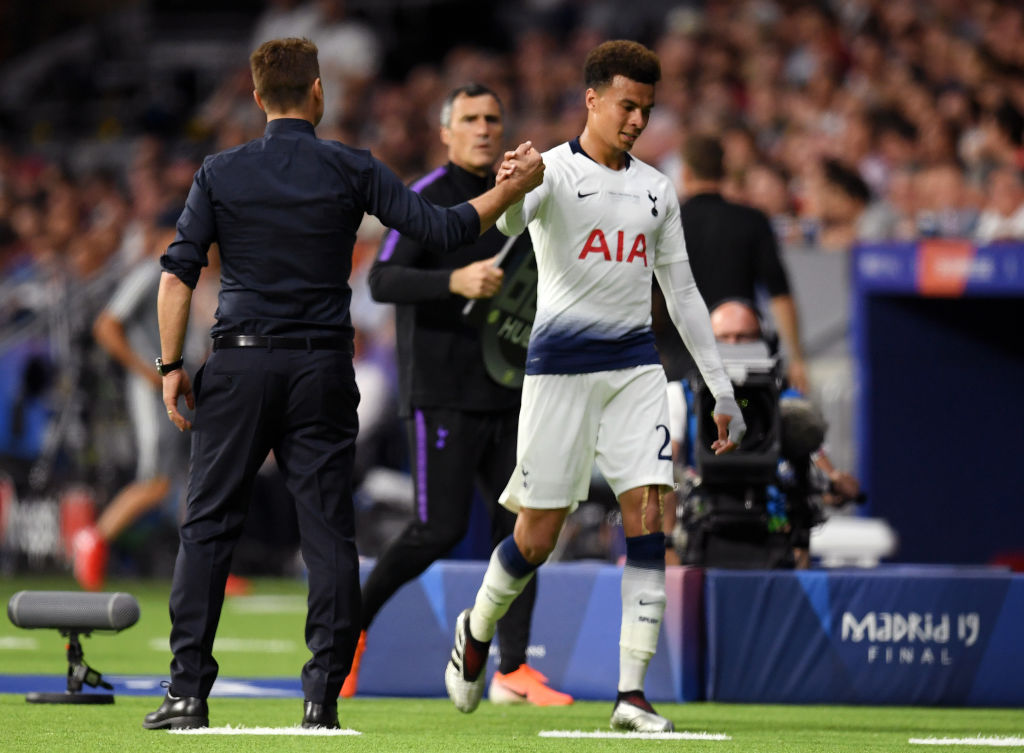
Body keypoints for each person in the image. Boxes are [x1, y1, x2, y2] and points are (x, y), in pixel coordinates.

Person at [143, 37, 543, 732]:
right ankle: (322, 697)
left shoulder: (219, 171)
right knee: (328, 531)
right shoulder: (351, 167)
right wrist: (510, 189)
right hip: (322, 368)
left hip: (237, 363)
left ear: (258, 95)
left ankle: (185, 694)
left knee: (208, 525)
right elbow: (444, 227)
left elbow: (178, 271)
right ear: (319, 94)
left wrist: (171, 365)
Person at [442, 40, 745, 733]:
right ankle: (477, 627)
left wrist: (721, 389)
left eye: (646, 108)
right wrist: (512, 182)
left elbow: (685, 293)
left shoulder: (656, 189)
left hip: (636, 369)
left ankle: (631, 694)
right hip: (557, 374)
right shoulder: (547, 169)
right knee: (537, 535)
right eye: (626, 105)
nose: (637, 119)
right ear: (592, 100)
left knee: (649, 516)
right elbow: (496, 222)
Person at [342, 84, 571, 706]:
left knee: (524, 528)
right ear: (446, 132)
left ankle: (513, 670)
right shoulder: (428, 196)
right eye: (469, 118)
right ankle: (347, 632)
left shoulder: (522, 197)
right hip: (442, 392)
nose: (483, 127)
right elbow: (383, 280)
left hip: (510, 390)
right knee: (437, 528)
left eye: (493, 118)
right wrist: (454, 279)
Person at [668, 300, 860, 569]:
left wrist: (834, 485)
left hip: (774, 530)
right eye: (723, 338)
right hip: (701, 528)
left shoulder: (789, 404)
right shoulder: (680, 397)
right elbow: (662, 469)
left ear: (764, 341)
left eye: (744, 337)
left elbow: (821, 470)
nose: (733, 346)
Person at [655, 133, 809, 394]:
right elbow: (780, 295)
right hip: (741, 365)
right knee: (744, 418)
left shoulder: (665, 225)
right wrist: (796, 358)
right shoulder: (752, 221)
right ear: (723, 171)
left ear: (686, 173)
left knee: (686, 427)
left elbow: (650, 299)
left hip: (679, 365)